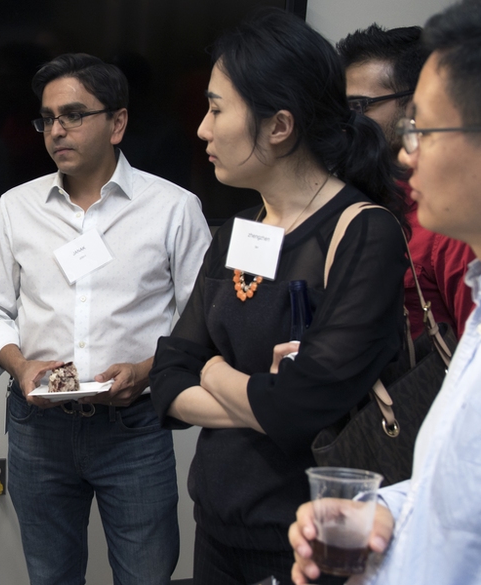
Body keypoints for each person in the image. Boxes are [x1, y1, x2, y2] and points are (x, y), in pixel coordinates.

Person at [148, 10, 408, 585]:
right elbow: (167, 378)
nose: (202, 129)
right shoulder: (239, 232)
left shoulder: (364, 231)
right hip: (218, 525)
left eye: (217, 109)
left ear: (280, 126)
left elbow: (300, 405)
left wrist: (213, 371)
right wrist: (260, 399)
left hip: (312, 539)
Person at [0, 53, 211, 585]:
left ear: (117, 123)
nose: (57, 130)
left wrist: (146, 371)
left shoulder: (174, 208)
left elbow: (200, 324)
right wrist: (20, 365)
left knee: (147, 575)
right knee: (50, 576)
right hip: (37, 429)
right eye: (47, 118)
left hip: (134, 426)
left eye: (73, 115)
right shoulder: (16, 207)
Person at [290, 1, 481, 583]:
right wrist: (387, 512)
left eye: (422, 129)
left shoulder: (444, 242)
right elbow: (455, 492)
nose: (405, 151)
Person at [339, 24, 475, 340]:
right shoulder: (351, 200)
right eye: (342, 108)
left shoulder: (448, 223)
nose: (346, 122)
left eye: (359, 106)